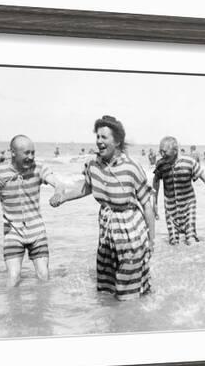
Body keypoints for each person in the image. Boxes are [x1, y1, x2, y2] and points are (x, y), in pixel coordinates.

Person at [49, 115, 155, 301]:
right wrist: (63, 197)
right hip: (106, 231)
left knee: (126, 291)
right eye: (97, 137)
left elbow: (147, 204)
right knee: (107, 289)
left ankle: (133, 321)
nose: (99, 141)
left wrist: (151, 240)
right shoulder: (93, 165)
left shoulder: (131, 167)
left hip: (130, 231)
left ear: (117, 141)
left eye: (104, 137)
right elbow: (86, 187)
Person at [0, 135, 61, 287]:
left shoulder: (39, 168)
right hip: (12, 232)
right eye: (26, 153)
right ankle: (12, 310)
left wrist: (58, 193)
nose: (31, 157)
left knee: (44, 275)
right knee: (13, 277)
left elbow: (58, 184)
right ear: (13, 152)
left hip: (37, 231)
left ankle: (42, 310)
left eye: (33, 152)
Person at [153, 136, 205, 245]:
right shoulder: (161, 164)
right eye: (160, 151)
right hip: (170, 208)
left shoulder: (189, 162)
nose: (162, 154)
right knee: (173, 241)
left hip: (188, 205)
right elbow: (156, 181)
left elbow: (202, 174)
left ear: (175, 151)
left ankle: (198, 258)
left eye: (164, 151)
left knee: (190, 238)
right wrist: (155, 203)